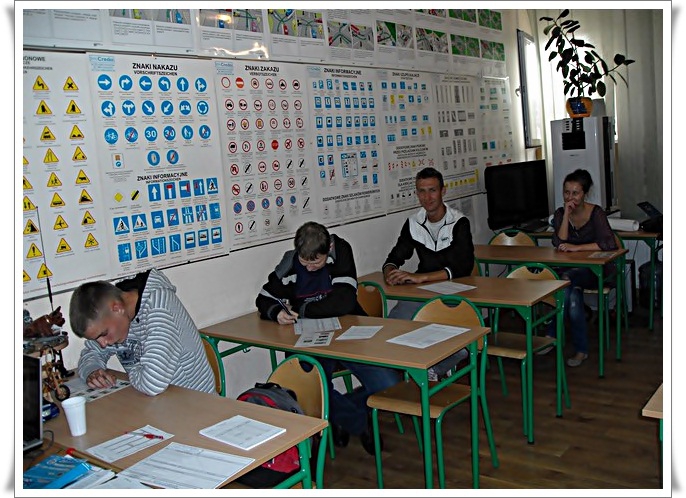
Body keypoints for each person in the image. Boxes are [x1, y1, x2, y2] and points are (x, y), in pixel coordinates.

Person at [256, 221, 400, 455]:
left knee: (389, 384)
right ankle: (359, 422)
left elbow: (343, 302)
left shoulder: (341, 252)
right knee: (306, 387)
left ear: (328, 249)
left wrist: (301, 309)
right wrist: (276, 312)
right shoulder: (290, 263)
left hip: (350, 334)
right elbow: (264, 298)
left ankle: (339, 414)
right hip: (310, 340)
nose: (310, 268)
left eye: (316, 262)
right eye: (305, 263)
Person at [382, 167, 475, 379]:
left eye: (432, 190)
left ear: (443, 191)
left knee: (447, 333)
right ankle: (417, 368)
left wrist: (420, 277)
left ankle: (438, 365)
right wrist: (390, 271)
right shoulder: (413, 223)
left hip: (456, 291)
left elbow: (463, 267)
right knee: (394, 324)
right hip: (424, 291)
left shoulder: (459, 222)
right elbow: (395, 256)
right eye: (422, 191)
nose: (427, 197)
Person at [69, 268, 215, 396]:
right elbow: (91, 353)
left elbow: (152, 383)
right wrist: (92, 371)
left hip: (198, 405)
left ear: (117, 308)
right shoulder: (114, 317)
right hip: (159, 402)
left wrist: (133, 371)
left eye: (103, 334)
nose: (103, 344)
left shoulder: (160, 309)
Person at [548, 168, 617, 367]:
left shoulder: (596, 212)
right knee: (571, 294)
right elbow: (559, 242)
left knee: (565, 283)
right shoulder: (561, 213)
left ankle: (552, 334)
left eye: (575, 193)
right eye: (566, 192)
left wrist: (577, 248)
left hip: (596, 271)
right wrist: (566, 215)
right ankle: (581, 349)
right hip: (570, 271)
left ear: (584, 194)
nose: (570, 197)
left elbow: (608, 243)